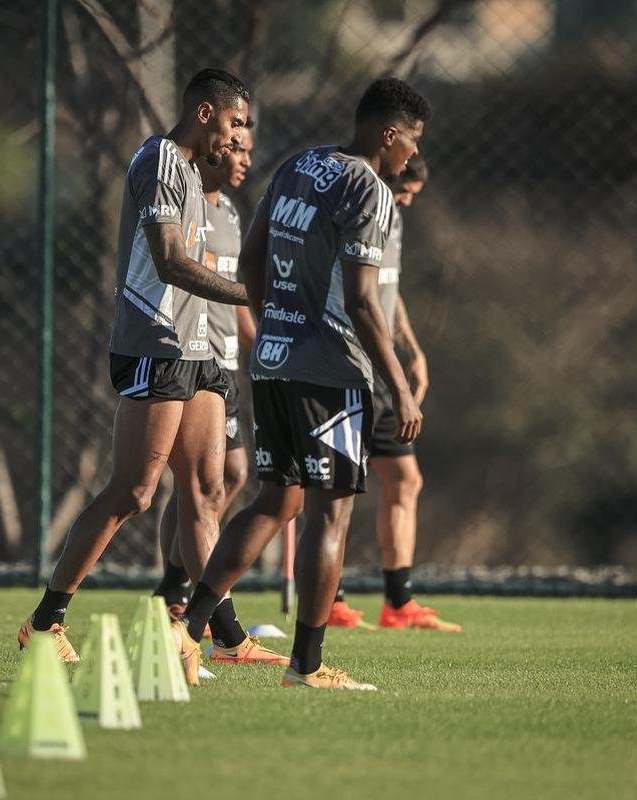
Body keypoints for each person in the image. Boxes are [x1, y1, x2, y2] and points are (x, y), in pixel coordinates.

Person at [19, 69, 284, 675]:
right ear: (204, 113)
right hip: (155, 343)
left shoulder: (196, 177)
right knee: (134, 492)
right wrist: (251, 293)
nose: (240, 135)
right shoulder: (162, 158)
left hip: (197, 351)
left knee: (208, 492)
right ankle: (46, 621)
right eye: (235, 121)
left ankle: (226, 634)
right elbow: (167, 261)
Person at [176, 77, 431, 690]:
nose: (410, 158)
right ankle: (307, 666)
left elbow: (254, 256)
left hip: (273, 358)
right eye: (410, 143)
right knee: (329, 514)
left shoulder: (301, 166)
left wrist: (273, 326)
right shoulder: (368, 186)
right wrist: (397, 383)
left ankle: (184, 636)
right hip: (330, 370)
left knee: (277, 500)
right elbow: (364, 301)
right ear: (389, 135)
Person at [326, 156, 461, 633]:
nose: (406, 201)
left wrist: (412, 347)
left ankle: (398, 602)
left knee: (405, 479)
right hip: (348, 365)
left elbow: (387, 287)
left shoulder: (393, 217)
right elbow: (356, 288)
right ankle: (330, 598)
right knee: (335, 487)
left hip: (386, 374)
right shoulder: (362, 206)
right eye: (405, 191)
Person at [153, 125, 260, 652]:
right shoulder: (184, 194)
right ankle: (186, 600)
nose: (242, 160)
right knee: (197, 487)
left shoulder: (232, 214)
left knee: (222, 480)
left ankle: (184, 596)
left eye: (248, 152)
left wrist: (259, 348)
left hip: (225, 365)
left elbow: (236, 300)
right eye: (236, 148)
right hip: (188, 360)